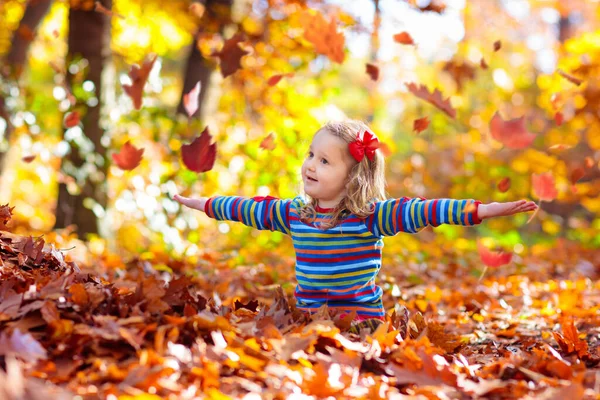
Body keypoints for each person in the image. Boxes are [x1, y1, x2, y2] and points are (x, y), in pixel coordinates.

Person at [174, 120, 537, 334]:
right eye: (310, 155)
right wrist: (202, 204)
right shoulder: (295, 214)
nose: (310, 166)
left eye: (325, 161)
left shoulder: (372, 217)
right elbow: (243, 208)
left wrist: (484, 210)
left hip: (362, 324)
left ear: (353, 177)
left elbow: (430, 211)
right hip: (307, 321)